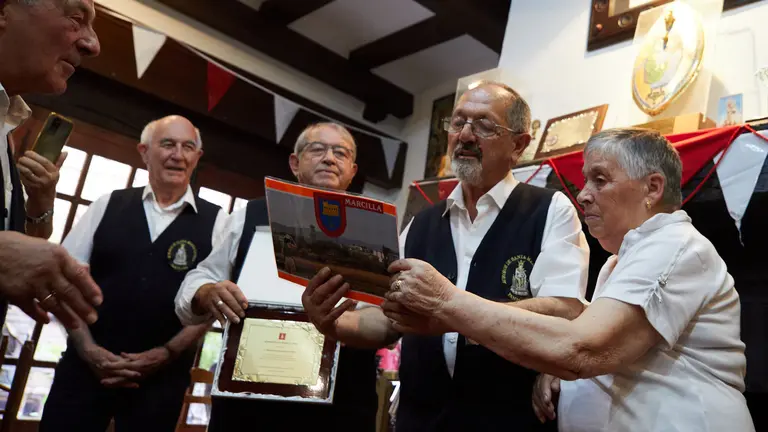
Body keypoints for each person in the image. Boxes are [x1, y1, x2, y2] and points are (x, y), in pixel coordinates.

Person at [386, 128, 755, 431]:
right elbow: (596, 351)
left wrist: (448, 302)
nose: (583, 195)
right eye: (585, 181)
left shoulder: (673, 242)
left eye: (600, 180)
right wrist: (562, 372)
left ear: (652, 188)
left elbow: (584, 349)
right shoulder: (619, 262)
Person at [304, 82, 589, 431]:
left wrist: (451, 312)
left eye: (484, 125)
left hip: (508, 420)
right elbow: (388, 318)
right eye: (457, 123)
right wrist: (331, 323)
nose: (465, 135)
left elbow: (563, 309)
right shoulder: (421, 223)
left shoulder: (549, 210)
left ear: (518, 145)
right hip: (420, 421)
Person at [175, 122, 379, 431]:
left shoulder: (376, 230)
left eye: (341, 152)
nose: (329, 158)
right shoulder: (251, 214)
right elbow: (200, 277)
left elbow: (385, 315)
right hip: (246, 402)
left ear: (352, 170)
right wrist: (207, 291)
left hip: (340, 405)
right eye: (318, 149)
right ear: (295, 163)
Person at [40, 116, 227, 432]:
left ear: (197, 156)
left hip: (162, 380)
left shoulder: (219, 221)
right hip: (83, 368)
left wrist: (166, 353)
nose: (177, 155)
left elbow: (212, 305)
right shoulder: (108, 204)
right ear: (144, 151)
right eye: (167, 144)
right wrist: (88, 349)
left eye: (188, 147)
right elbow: (62, 281)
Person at [0, 0, 103, 331]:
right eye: (76, 20)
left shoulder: (6, 130)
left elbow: (18, 250)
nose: (93, 44)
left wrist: (41, 200)